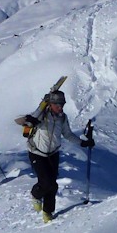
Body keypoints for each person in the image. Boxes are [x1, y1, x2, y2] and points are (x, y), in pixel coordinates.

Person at [22, 90, 93, 221]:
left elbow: (67, 134)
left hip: (53, 154)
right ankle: (36, 194)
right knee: (47, 182)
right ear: (51, 104)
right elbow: (28, 122)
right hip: (36, 153)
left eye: (62, 104)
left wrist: (82, 143)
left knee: (52, 184)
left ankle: (47, 213)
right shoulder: (42, 115)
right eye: (57, 104)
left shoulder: (63, 118)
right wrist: (30, 120)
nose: (60, 107)